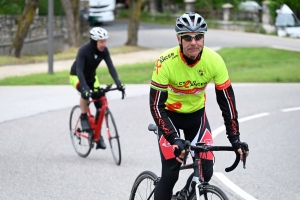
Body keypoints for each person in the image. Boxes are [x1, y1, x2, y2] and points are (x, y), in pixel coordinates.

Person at [149, 12, 249, 200]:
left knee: (205, 171)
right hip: (169, 118)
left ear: (203, 37)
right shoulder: (165, 62)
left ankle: (184, 196)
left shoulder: (214, 60)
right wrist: (173, 138)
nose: (193, 42)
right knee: (171, 173)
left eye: (198, 36)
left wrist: (235, 139)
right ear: (179, 38)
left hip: (196, 117)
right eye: (187, 37)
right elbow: (156, 106)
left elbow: (227, 102)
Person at [70, 27, 125, 150]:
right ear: (94, 41)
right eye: (101, 42)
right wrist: (85, 88)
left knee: (100, 103)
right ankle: (84, 116)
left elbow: (111, 67)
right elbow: (79, 71)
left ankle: (97, 135)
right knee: (85, 93)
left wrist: (118, 83)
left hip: (92, 77)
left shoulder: (104, 51)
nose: (103, 44)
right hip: (77, 76)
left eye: (105, 41)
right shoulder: (83, 51)